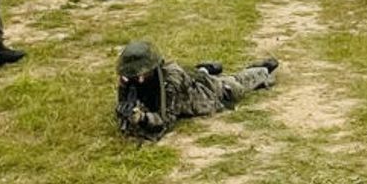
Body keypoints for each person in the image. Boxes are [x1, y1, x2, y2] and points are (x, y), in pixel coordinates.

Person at [115, 40, 277, 140]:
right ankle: (204, 70)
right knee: (201, 76)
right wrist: (123, 91)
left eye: (140, 74)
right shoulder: (135, 79)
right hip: (192, 83)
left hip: (210, 92)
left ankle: (262, 70)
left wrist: (142, 118)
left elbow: (167, 119)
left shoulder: (170, 81)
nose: (137, 79)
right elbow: (125, 104)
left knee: (236, 85)